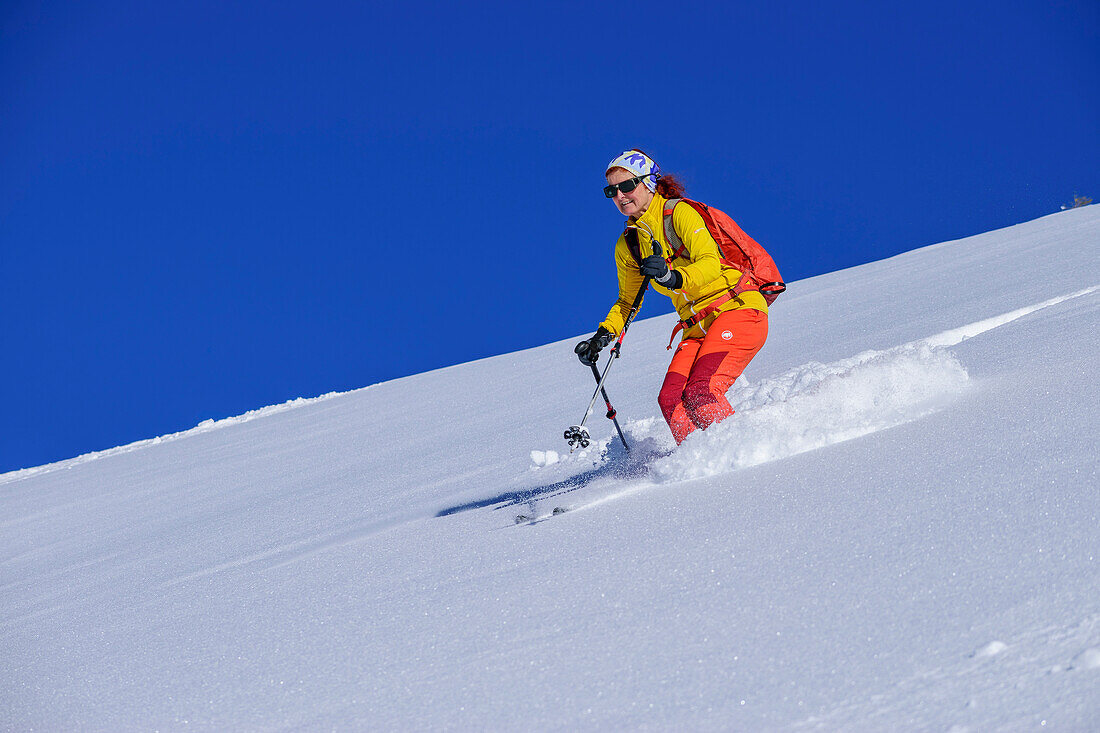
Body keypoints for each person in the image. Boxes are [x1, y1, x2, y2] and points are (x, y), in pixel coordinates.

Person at [575, 149, 770, 445]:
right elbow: (627, 302)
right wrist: (602, 336)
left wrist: (672, 278)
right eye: (611, 190)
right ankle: (697, 463)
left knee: (701, 390)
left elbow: (709, 261)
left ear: (649, 183)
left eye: (627, 185)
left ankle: (742, 454)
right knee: (670, 399)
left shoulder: (678, 212)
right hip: (695, 328)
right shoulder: (629, 244)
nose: (620, 195)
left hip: (737, 309)